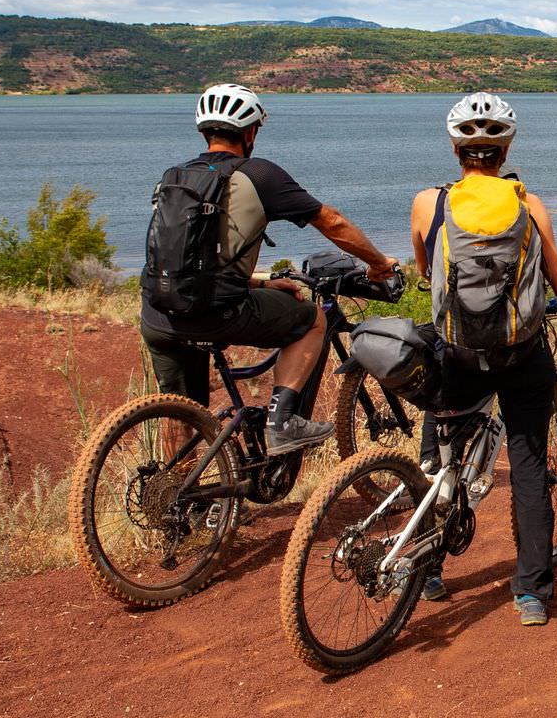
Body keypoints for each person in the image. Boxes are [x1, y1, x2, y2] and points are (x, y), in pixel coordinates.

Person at [408, 92, 557, 626]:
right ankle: (530, 592)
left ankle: (429, 569)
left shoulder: (428, 203)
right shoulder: (529, 207)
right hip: (520, 354)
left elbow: (424, 272)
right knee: (529, 468)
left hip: (458, 352)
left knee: (441, 462)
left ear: (456, 147)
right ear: (505, 148)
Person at [140, 83, 399, 453]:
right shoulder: (259, 175)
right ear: (250, 132)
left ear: (203, 130)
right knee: (311, 319)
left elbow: (186, 258)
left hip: (157, 314)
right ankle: (283, 422)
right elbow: (332, 222)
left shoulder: (173, 176)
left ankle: (176, 502)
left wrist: (259, 281)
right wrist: (379, 264)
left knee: (182, 412)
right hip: (213, 311)